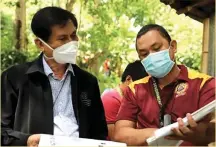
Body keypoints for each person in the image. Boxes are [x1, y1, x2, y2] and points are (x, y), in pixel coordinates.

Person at [1, 7, 107, 146]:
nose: (71, 43)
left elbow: (99, 132)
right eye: (62, 38)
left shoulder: (88, 82)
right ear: (40, 44)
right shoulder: (15, 78)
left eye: (73, 35)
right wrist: (26, 140)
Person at [114, 24, 215, 146]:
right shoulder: (135, 89)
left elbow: (212, 129)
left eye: (156, 49)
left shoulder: (204, 84)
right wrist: (160, 134)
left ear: (173, 47)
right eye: (144, 54)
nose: (152, 56)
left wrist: (200, 133)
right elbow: (120, 135)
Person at [101, 60, 148, 140]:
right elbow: (116, 139)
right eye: (141, 86)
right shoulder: (111, 99)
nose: (143, 91)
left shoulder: (133, 100)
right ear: (128, 79)